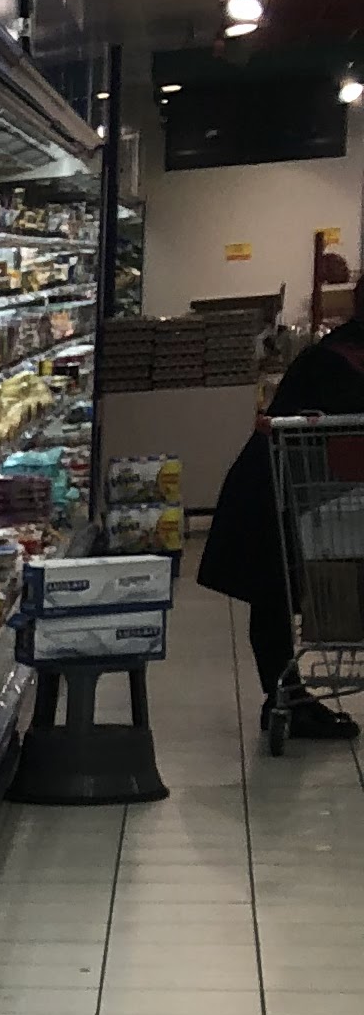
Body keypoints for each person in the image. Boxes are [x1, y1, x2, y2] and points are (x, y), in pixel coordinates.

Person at [200, 311, 364, 737]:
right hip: (276, 491)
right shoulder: (337, 362)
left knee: (272, 592)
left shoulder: (337, 352)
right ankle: (284, 697)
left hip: (288, 489)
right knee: (272, 588)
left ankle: (286, 696)